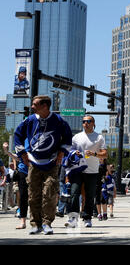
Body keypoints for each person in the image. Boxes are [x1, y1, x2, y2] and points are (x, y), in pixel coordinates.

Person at [14, 95, 72, 235]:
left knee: (49, 193)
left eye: (35, 104)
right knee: (33, 195)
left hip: (52, 162)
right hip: (33, 163)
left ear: (45, 106)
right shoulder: (30, 120)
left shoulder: (58, 121)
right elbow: (17, 135)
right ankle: (35, 224)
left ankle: (47, 223)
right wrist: (22, 154)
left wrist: (61, 153)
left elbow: (68, 139)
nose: (32, 107)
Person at [66, 115, 107, 228]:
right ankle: (73, 218)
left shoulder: (99, 137)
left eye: (89, 121)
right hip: (77, 170)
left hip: (92, 171)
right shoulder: (76, 137)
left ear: (93, 123)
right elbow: (70, 152)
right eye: (84, 121)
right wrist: (75, 153)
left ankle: (87, 217)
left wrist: (94, 154)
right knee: (74, 193)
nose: (86, 123)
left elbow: (105, 154)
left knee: (89, 196)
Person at [3, 142, 29, 229]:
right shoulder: (23, 141)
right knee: (22, 196)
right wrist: (6, 151)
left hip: (37, 171)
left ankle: (38, 221)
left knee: (35, 197)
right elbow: (17, 157)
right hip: (23, 172)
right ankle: (23, 221)